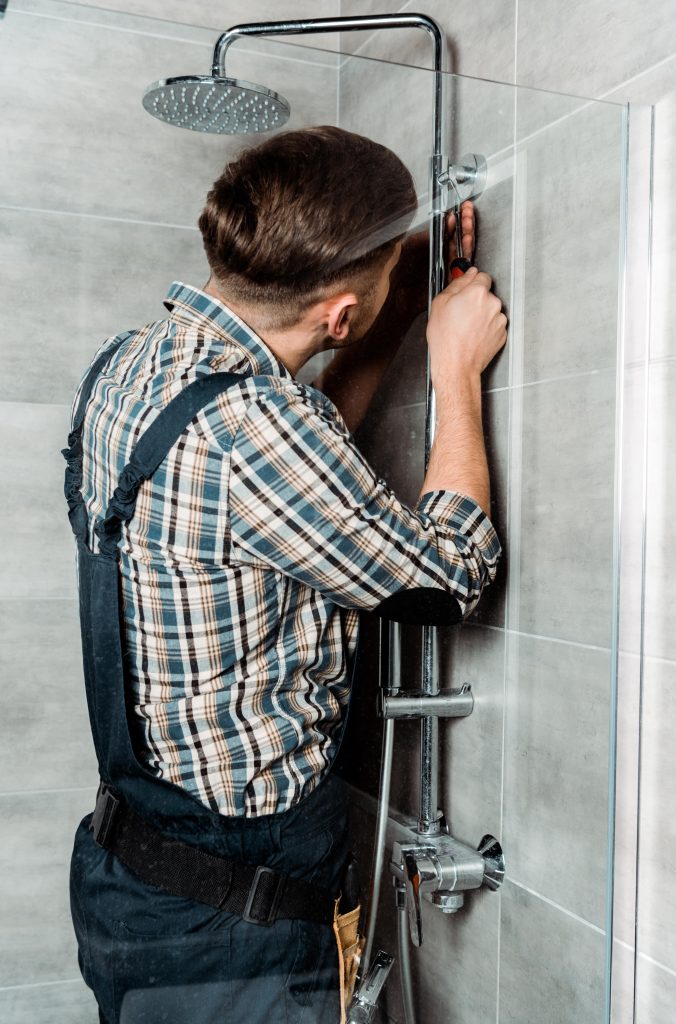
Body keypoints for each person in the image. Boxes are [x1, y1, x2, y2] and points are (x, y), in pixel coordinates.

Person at [63, 125, 506, 1024]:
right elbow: (446, 580)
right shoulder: (254, 429)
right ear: (337, 312)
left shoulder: (134, 363)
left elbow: (286, 493)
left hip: (141, 881)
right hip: (232, 923)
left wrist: (384, 312)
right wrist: (455, 365)